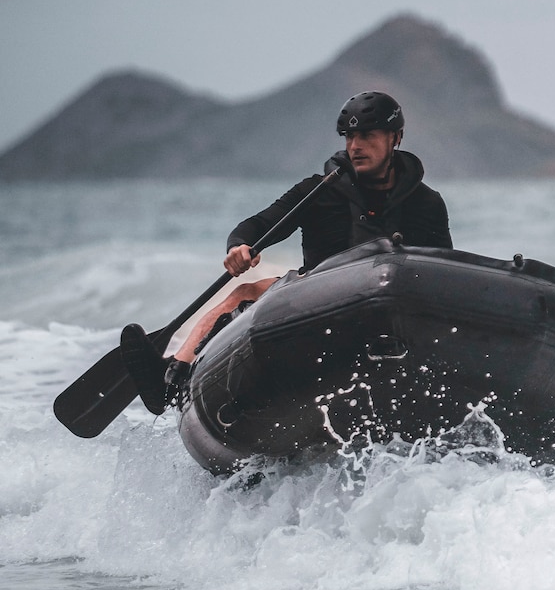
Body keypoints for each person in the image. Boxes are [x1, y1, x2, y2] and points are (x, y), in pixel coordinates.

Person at [122, 91, 452, 415]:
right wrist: (238, 248)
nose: (355, 146)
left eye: (367, 135)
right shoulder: (318, 191)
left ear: (396, 137)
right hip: (317, 297)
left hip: (390, 307)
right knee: (246, 292)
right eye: (349, 136)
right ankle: (173, 376)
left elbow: (443, 269)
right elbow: (258, 225)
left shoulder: (426, 203)